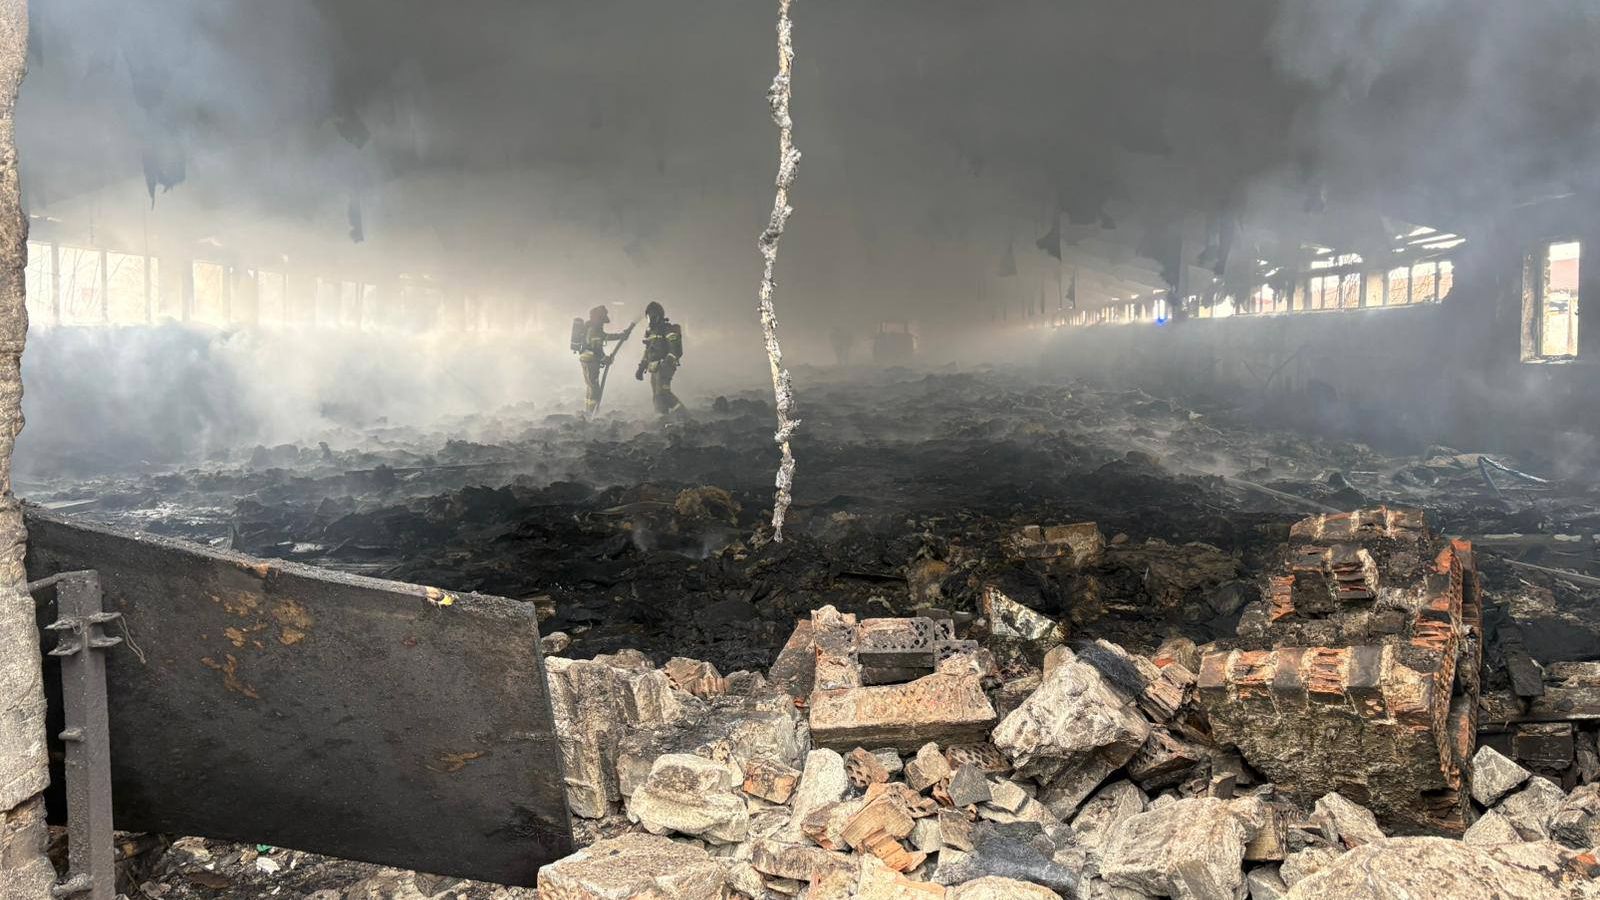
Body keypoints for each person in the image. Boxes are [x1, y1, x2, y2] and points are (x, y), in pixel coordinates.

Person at [635, 301, 683, 416]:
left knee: (664, 393)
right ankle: (662, 417)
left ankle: (685, 415)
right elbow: (648, 351)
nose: (650, 320)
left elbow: (675, 349)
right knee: (657, 396)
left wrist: (667, 363)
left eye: (651, 316)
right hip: (655, 368)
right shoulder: (650, 332)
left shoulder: (667, 329)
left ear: (657, 316)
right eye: (648, 317)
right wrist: (641, 367)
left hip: (665, 366)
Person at [576, 304, 626, 415]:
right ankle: (591, 413)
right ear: (599, 318)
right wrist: (604, 358)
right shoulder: (594, 329)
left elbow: (605, 336)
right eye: (602, 320)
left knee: (591, 386)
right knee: (594, 389)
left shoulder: (593, 328)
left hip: (587, 359)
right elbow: (596, 348)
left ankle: (589, 411)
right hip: (591, 361)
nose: (603, 322)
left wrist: (620, 336)